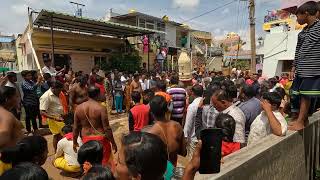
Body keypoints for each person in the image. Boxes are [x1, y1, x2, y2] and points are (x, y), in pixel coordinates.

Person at [290, 1, 320, 130]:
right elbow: (298, 50)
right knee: (295, 93)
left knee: (306, 96)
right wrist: (293, 67)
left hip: (313, 69)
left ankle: (301, 121)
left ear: (306, 14)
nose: (297, 19)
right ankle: (302, 119)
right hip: (301, 69)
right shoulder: (303, 31)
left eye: (298, 16)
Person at [73, 86, 117, 167]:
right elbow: (107, 128)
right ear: (97, 94)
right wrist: (113, 143)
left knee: (91, 162)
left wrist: (74, 142)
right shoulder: (101, 108)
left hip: (86, 139)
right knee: (104, 162)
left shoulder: (78, 108)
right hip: (100, 139)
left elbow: (76, 127)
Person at [148, 95, 187, 166]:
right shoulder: (177, 126)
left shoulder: (150, 133)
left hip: (158, 174)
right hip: (172, 171)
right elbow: (184, 152)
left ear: (151, 112)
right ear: (166, 109)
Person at [40, 81, 65, 151]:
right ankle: (56, 151)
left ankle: (61, 150)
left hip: (60, 118)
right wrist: (55, 118)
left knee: (61, 135)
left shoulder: (57, 93)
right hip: (53, 119)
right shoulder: (46, 97)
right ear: (53, 88)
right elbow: (42, 112)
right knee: (57, 135)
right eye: (59, 90)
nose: (60, 92)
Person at [184, 85, 203, 159]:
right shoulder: (205, 102)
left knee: (192, 160)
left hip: (193, 138)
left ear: (192, 93)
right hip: (203, 137)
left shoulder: (192, 106)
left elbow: (188, 124)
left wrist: (185, 137)